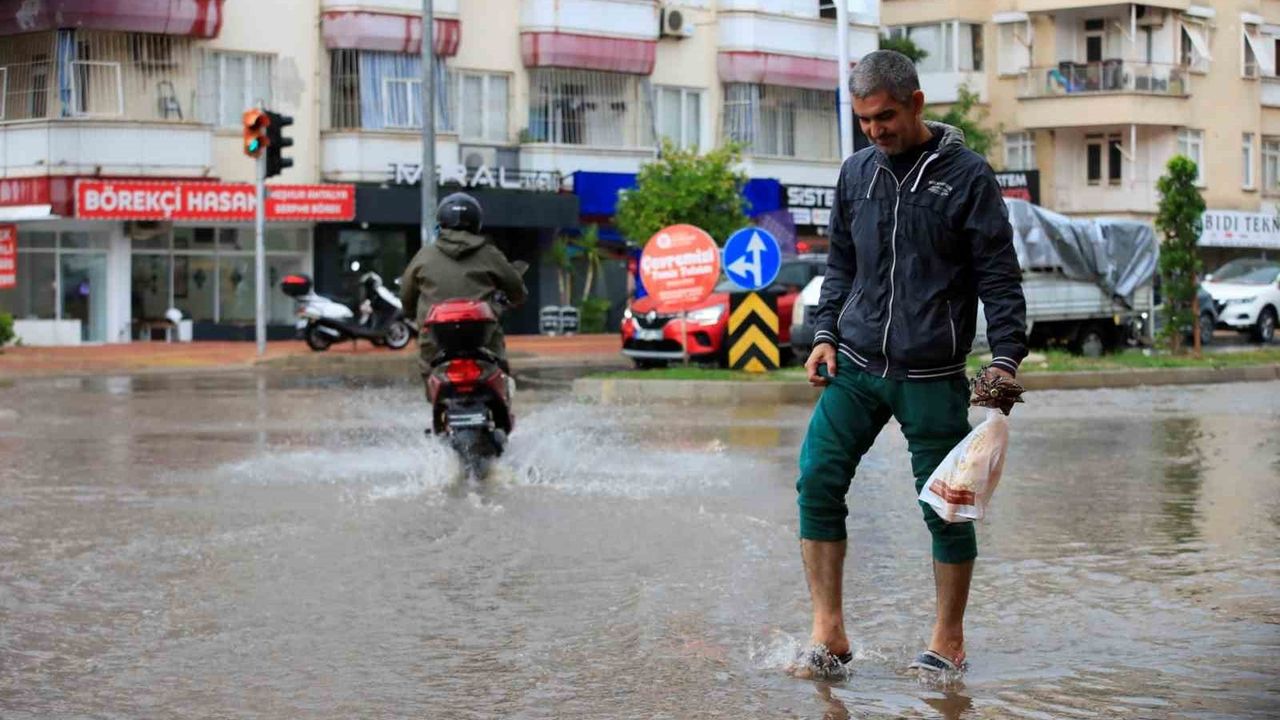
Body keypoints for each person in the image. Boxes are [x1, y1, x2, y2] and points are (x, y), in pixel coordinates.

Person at [791, 50, 1028, 679]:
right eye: (864, 119)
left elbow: (999, 279)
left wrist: (1004, 360)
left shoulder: (968, 177)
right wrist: (823, 334)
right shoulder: (856, 174)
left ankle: (947, 640)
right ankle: (828, 634)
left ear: (916, 104)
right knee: (816, 480)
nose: (875, 130)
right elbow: (841, 265)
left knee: (947, 505)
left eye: (885, 116)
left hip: (930, 377)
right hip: (856, 366)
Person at [400, 192, 528, 393]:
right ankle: (501, 398)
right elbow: (515, 286)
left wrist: (409, 312)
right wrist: (516, 299)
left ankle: (435, 403)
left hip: (435, 338)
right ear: (476, 223)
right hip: (483, 337)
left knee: (428, 369)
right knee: (499, 363)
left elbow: (406, 294)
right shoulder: (489, 253)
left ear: (441, 222)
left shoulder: (424, 256)